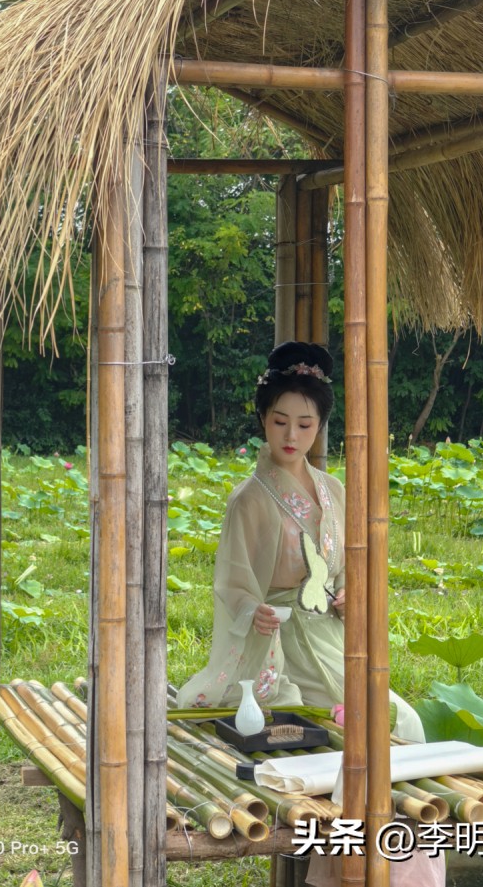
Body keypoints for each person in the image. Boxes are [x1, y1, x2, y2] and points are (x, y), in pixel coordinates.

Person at [175, 342, 440, 887]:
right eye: (279, 422)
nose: (291, 437)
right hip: (283, 635)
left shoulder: (333, 489)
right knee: (363, 727)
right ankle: (350, 867)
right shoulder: (248, 499)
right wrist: (255, 610)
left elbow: (346, 567)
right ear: (263, 423)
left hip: (336, 630)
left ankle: (384, 863)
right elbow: (231, 579)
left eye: (305, 424)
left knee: (402, 720)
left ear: (320, 426)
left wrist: (347, 594)